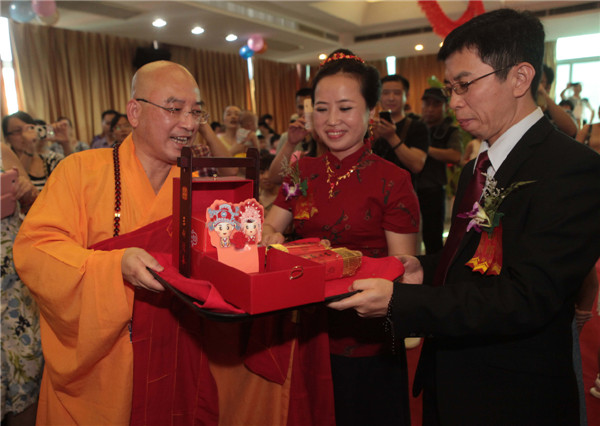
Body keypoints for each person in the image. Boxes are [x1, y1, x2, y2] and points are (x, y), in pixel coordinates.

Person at [329, 9, 600, 426]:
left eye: (465, 85)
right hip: (452, 377)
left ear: (520, 78)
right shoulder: (483, 161)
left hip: (512, 395)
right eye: (450, 87)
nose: (454, 101)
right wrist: (423, 267)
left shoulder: (570, 167)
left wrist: (403, 302)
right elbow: (471, 255)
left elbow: (526, 296)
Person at [12, 61, 220, 424]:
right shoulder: (79, 172)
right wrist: (112, 267)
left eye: (195, 111)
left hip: (174, 361)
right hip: (101, 374)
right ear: (135, 112)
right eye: (174, 108)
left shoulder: (197, 185)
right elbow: (35, 251)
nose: (188, 123)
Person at [262, 49, 420, 426]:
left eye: (345, 108)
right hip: (305, 330)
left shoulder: (392, 181)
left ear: (370, 112)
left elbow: (400, 271)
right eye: (321, 108)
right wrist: (268, 239)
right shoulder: (304, 172)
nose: (332, 121)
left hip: (365, 338)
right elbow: (271, 226)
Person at [1, 143, 41, 426]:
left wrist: (28, 192)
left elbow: (38, 210)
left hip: (15, 288)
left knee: (27, 372)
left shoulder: (3, 152)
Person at [417, 87, 462, 254]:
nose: (430, 108)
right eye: (426, 104)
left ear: (445, 106)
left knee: (433, 239)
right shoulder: (415, 126)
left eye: (436, 104)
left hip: (434, 190)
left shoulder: (450, 130)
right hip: (411, 188)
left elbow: (456, 155)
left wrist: (423, 149)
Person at [372, 74, 430, 187]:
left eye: (397, 93)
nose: (391, 98)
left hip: (404, 191)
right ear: (379, 96)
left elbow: (417, 165)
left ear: (406, 96)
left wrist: (391, 137)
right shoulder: (370, 126)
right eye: (385, 93)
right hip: (373, 189)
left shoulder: (417, 126)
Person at [2, 112, 63, 191]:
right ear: (7, 138)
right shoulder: (4, 168)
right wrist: (28, 148)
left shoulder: (53, 160)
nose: (25, 134)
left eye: (30, 129)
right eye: (18, 131)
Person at [537, 65, 578, 137]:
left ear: (548, 87)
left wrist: (544, 94)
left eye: (540, 81)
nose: (535, 85)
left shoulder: (559, 113)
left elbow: (572, 131)